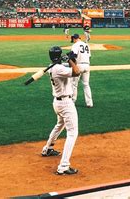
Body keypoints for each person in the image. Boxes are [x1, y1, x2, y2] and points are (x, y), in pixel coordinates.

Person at [26, 46, 81, 175]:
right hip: (66, 104)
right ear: (59, 55)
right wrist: (71, 60)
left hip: (57, 103)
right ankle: (63, 166)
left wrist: (71, 59)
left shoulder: (53, 67)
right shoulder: (59, 69)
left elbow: (72, 68)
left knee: (59, 125)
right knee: (72, 133)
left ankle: (47, 149)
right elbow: (77, 72)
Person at [70, 34, 93, 108]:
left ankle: (72, 102)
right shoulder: (86, 45)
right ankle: (89, 103)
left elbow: (73, 56)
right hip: (87, 65)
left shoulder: (75, 45)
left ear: (74, 39)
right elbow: (89, 57)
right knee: (86, 85)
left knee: (74, 84)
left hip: (79, 65)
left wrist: (73, 66)